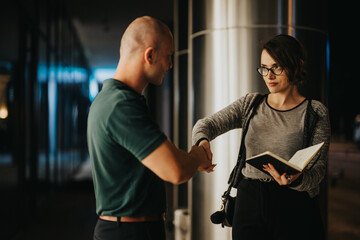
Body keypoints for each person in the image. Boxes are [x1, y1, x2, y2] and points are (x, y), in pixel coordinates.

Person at [87, 16, 214, 240]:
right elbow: (176, 170)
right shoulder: (121, 106)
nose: (170, 65)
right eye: (168, 56)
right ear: (150, 55)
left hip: (128, 229)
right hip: (129, 232)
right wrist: (197, 156)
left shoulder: (111, 100)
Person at [192, 34, 330, 240]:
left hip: (293, 203)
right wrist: (202, 143)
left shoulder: (315, 112)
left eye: (277, 67)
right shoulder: (251, 104)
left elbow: (318, 171)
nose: (269, 75)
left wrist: (296, 180)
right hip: (250, 201)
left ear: (297, 65)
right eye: (264, 68)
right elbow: (205, 124)